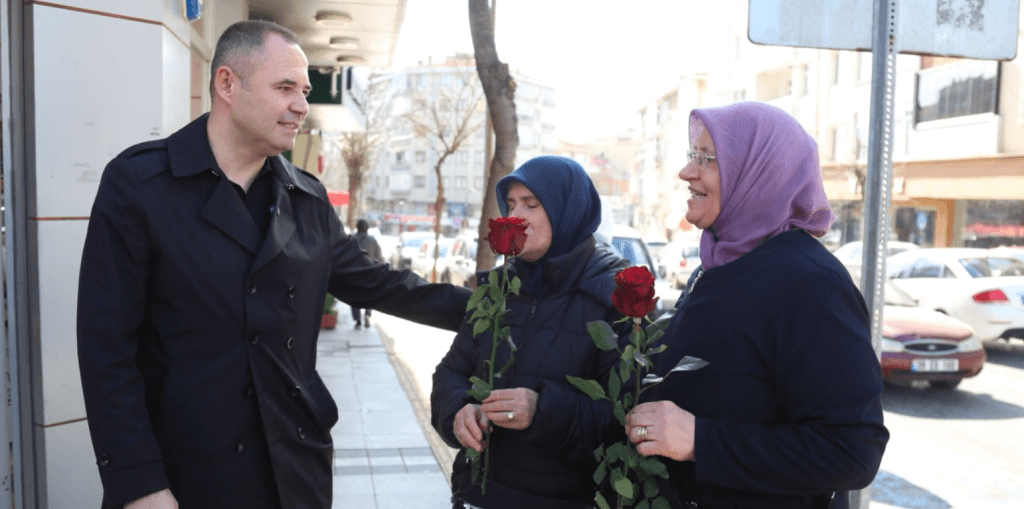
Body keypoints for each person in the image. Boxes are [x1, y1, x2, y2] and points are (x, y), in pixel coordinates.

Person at [77, 21, 471, 509]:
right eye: (284, 88)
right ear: (227, 84)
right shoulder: (139, 186)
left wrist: (498, 305)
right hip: (183, 478)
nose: (301, 106)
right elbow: (106, 350)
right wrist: (139, 484)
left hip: (292, 472)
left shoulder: (307, 200)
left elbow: (384, 287)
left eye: (304, 91)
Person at [624, 102, 889, 508]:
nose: (687, 172)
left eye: (707, 159)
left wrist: (702, 441)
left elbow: (852, 450)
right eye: (691, 155)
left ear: (759, 172)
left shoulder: (811, 283)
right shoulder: (718, 262)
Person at [431, 156, 632, 509]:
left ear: (566, 211)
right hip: (479, 494)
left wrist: (542, 410)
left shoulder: (615, 295)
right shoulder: (499, 286)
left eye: (531, 204)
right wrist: (458, 411)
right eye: (510, 204)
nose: (516, 216)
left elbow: (625, 419)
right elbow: (450, 371)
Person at [351, 218, 385, 328]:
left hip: (353, 272)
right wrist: (381, 267)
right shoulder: (372, 240)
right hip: (369, 271)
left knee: (354, 296)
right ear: (367, 229)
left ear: (357, 228)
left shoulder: (351, 239)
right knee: (369, 294)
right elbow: (379, 257)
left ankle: (357, 320)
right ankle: (367, 313)